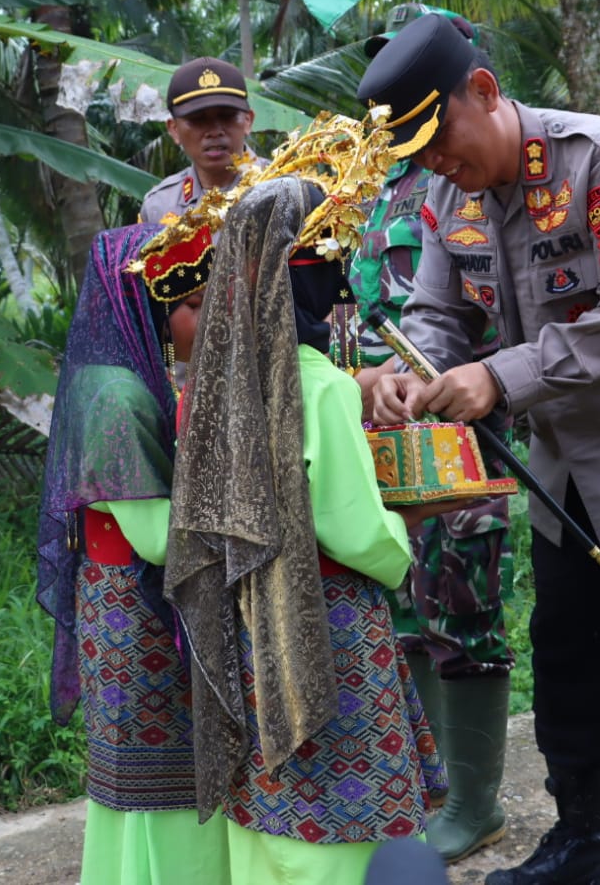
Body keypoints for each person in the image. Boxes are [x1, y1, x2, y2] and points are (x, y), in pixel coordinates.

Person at [360, 12, 600, 885]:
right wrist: (412, 372)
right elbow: (437, 315)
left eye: (439, 138)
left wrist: (499, 378)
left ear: (483, 92)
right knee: (564, 657)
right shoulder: (450, 193)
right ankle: (581, 831)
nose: (433, 165)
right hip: (555, 469)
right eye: (417, 155)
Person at [134, 175, 451, 885]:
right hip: (325, 624)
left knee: (264, 802)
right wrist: (403, 530)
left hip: (240, 622)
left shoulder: (204, 387)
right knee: (342, 810)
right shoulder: (321, 384)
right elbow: (350, 531)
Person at [351, 6, 516, 863]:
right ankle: (428, 789)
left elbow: (491, 310)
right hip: (389, 427)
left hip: (466, 425)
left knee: (466, 602)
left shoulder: (473, 180)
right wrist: (365, 381)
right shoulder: (378, 191)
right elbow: (358, 310)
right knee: (406, 607)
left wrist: (459, 385)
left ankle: (477, 801)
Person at [36, 222, 226, 885]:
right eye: (194, 305)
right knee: (160, 786)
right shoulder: (118, 396)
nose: (204, 319)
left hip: (117, 606)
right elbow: (153, 536)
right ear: (147, 303)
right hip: (137, 609)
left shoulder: (108, 377)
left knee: (132, 787)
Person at [140, 57, 261, 224]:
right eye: (197, 119)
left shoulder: (288, 189)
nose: (214, 131)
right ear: (174, 129)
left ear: (248, 121)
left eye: (226, 116)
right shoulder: (159, 206)